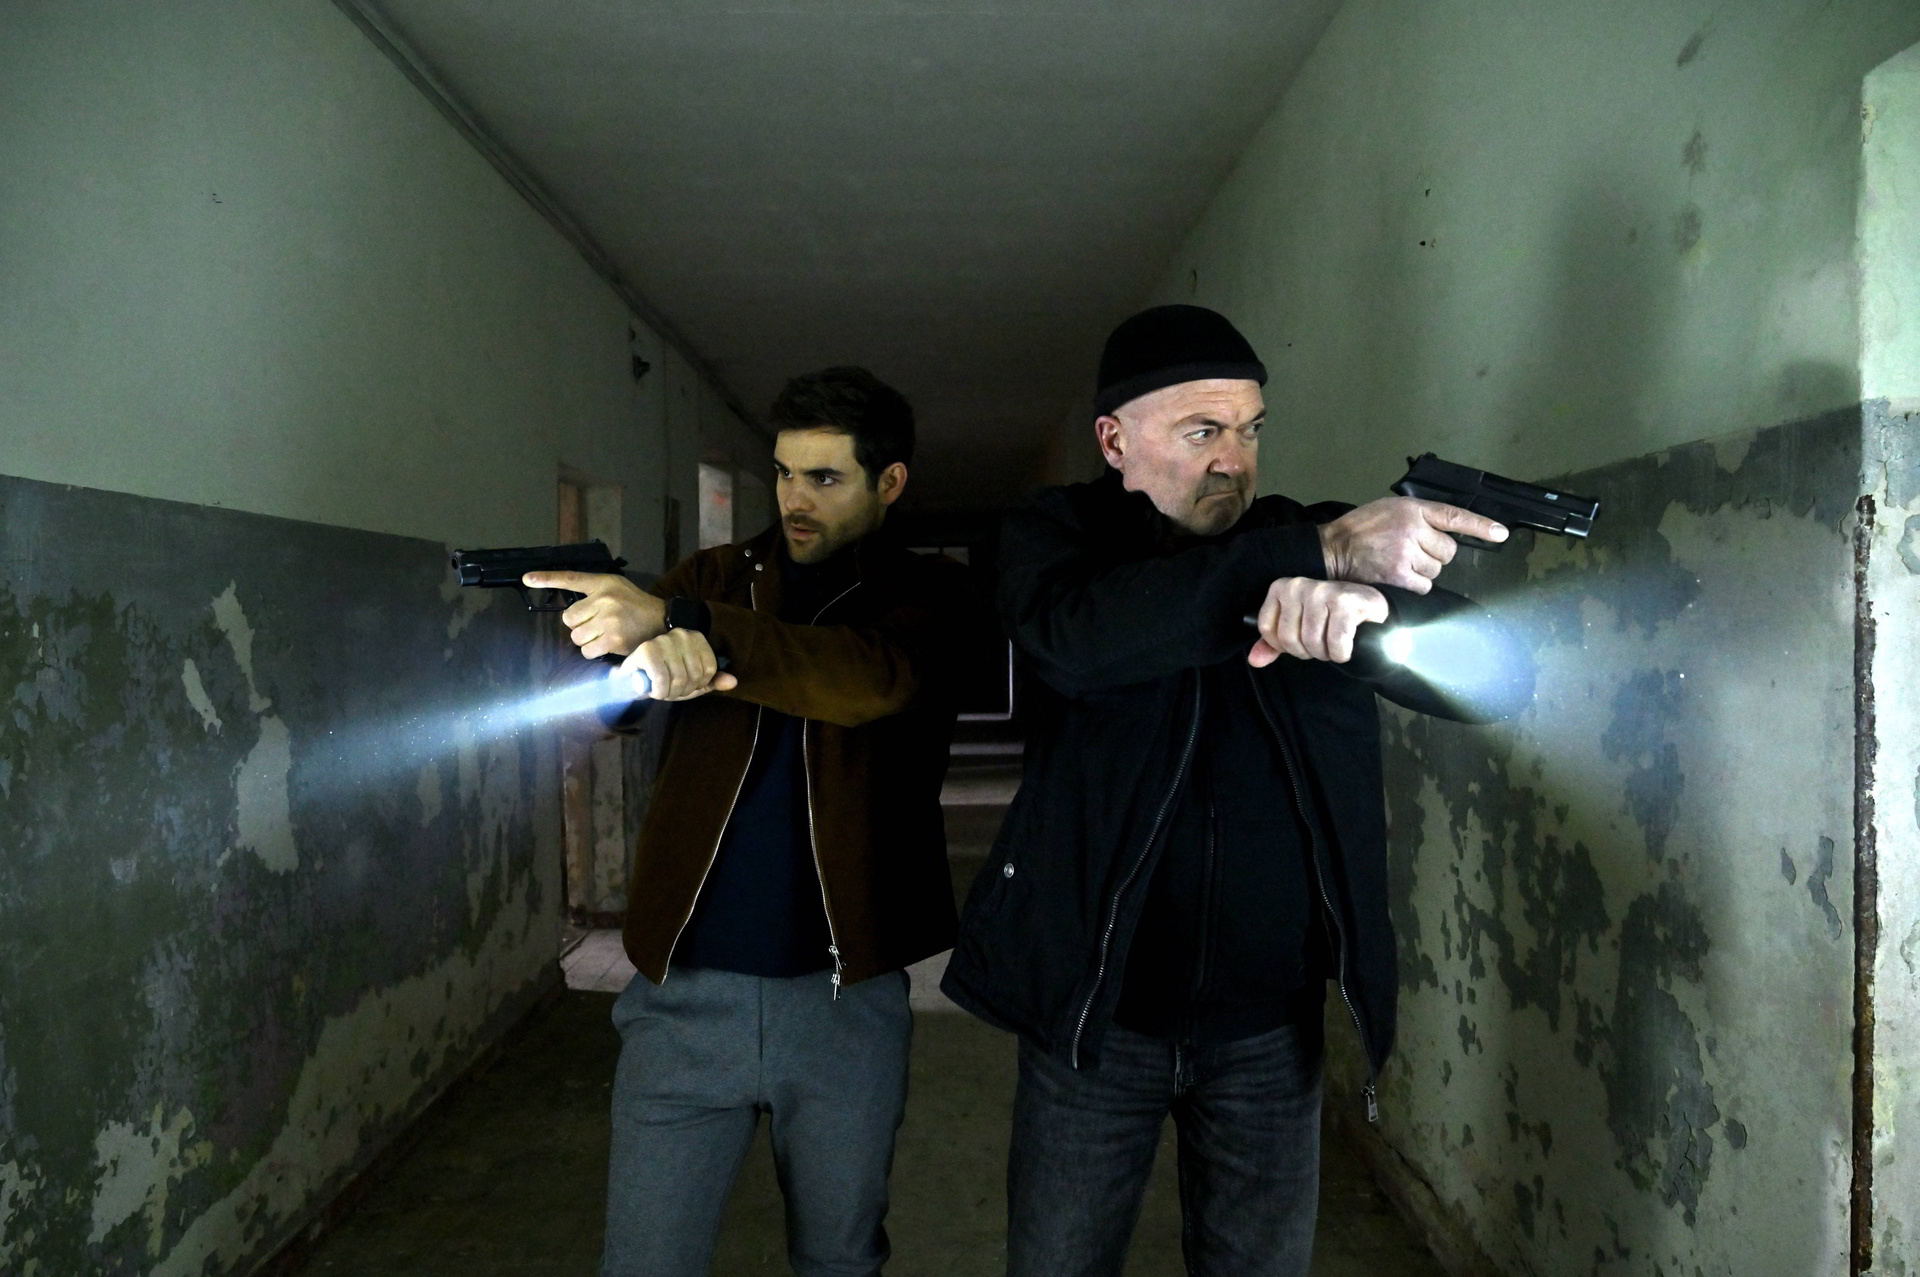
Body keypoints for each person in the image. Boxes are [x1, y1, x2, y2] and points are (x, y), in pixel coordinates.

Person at [940, 305, 1515, 1276]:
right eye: (1202, 430)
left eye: (1249, 429)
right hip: (1096, 1018)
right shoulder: (1056, 536)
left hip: (1268, 1029)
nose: (1232, 460)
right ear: (1115, 442)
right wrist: (1310, 558)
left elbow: (1500, 677)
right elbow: (1077, 641)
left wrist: (1364, 619)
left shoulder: (1305, 540)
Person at [528, 366, 970, 1277]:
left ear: (890, 481)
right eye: (783, 473)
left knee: (839, 1259)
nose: (795, 499)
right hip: (683, 994)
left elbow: (864, 679)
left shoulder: (926, 593)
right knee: (644, 1262)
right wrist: (630, 661)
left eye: (825, 477)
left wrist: (695, 625)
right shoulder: (714, 577)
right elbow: (599, 706)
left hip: (845, 998)